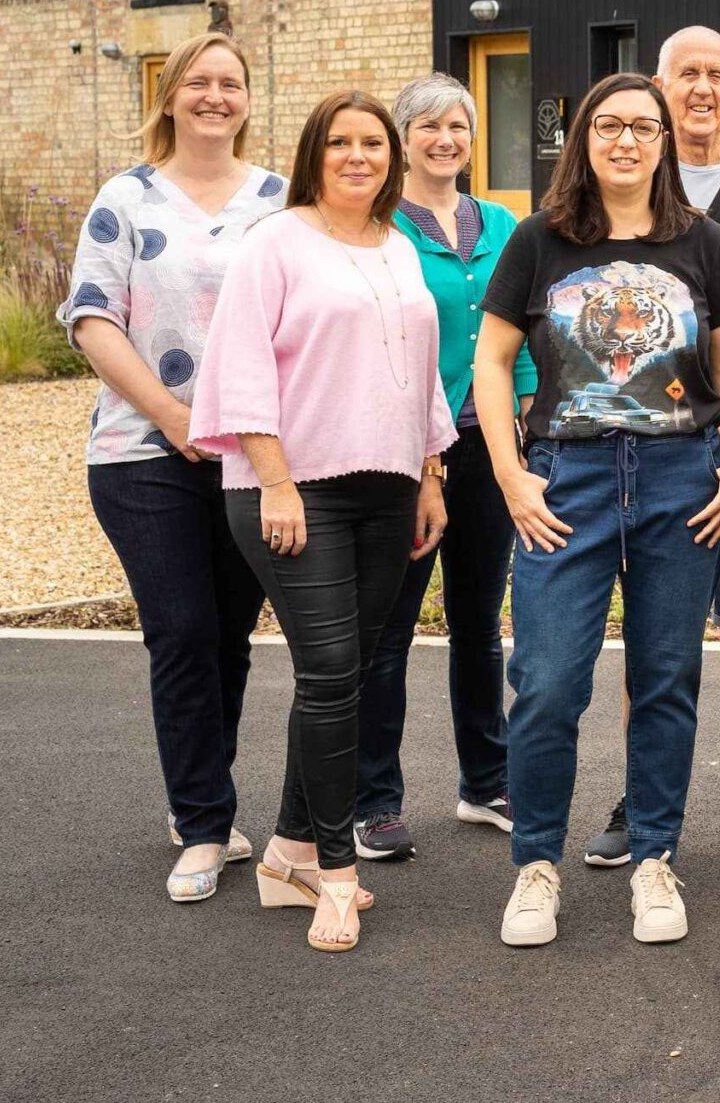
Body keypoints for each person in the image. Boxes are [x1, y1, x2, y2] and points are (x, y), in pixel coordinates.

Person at [474, 72, 720, 949]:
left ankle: (655, 860)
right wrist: (513, 477)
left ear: (665, 142)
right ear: (583, 137)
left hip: (681, 479)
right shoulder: (538, 240)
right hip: (569, 480)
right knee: (548, 680)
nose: (626, 140)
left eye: (643, 127)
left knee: (665, 678)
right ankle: (536, 866)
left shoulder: (703, 242)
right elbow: (490, 363)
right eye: (609, 125)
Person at [189, 90, 457, 954]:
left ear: (392, 157)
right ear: (314, 153)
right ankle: (337, 873)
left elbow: (422, 373)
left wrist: (430, 473)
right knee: (334, 666)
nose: (357, 156)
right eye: (339, 142)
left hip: (388, 486)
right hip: (293, 487)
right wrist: (273, 480)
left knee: (352, 670)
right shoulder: (275, 242)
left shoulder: (399, 246)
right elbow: (238, 365)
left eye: (372, 143)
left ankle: (288, 853)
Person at [59, 31, 284, 904]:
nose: (215, 96)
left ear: (247, 99)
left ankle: (206, 795)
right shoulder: (126, 197)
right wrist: (173, 414)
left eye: (231, 82)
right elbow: (90, 317)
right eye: (199, 81)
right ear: (170, 94)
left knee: (228, 635)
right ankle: (202, 824)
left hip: (247, 453)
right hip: (141, 450)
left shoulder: (277, 202)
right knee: (182, 630)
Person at [578, 27, 720, 871]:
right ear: (658, 93)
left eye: (716, 75)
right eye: (686, 75)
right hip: (646, 450)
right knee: (654, 638)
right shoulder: (618, 185)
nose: (701, 88)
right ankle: (643, 797)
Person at [348, 74, 535, 863]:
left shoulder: (501, 222)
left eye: (458, 124)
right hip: (402, 452)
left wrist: (521, 415)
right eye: (427, 125)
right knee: (389, 628)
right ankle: (375, 799)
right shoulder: (377, 228)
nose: (445, 138)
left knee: (478, 623)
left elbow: (524, 326)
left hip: (486, 444)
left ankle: (484, 781)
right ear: (403, 137)